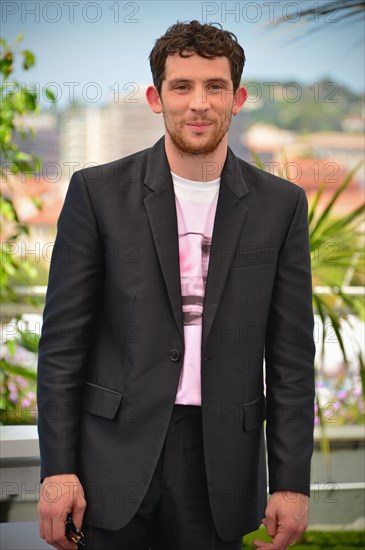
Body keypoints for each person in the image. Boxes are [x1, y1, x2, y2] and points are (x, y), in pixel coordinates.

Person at [37, 20, 315, 550]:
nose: (199, 103)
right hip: (110, 457)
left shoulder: (281, 206)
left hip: (221, 465)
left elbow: (292, 357)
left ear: (238, 98)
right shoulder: (96, 193)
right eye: (181, 86)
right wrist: (58, 470)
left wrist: (291, 484)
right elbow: (63, 344)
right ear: (155, 97)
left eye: (215, 87)